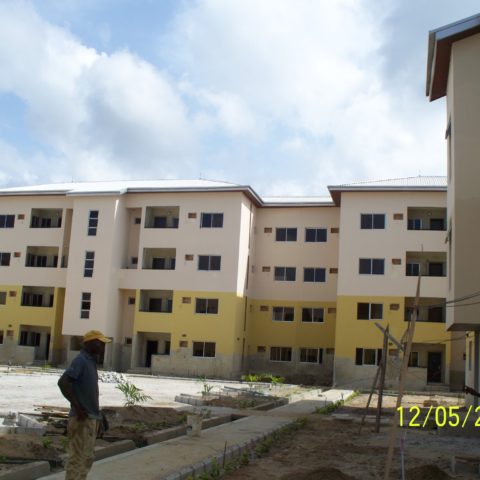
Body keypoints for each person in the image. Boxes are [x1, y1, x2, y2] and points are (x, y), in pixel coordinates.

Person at [58, 330, 111, 480]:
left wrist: (99, 414)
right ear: (89, 343)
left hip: (90, 417)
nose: (102, 347)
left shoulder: (90, 362)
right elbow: (63, 382)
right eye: (99, 343)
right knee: (78, 458)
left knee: (86, 458)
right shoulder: (81, 360)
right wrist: (77, 407)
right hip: (82, 419)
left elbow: (88, 392)